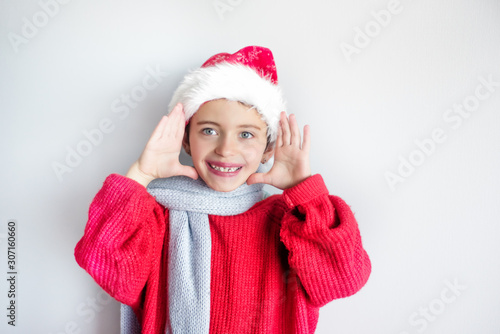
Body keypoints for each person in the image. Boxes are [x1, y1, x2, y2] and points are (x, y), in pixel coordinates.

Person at [74, 46, 371, 334]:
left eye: (246, 134)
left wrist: (305, 194)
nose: (226, 149)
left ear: (269, 149)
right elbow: (106, 264)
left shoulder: (289, 222)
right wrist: (141, 175)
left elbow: (343, 278)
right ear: (186, 141)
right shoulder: (157, 217)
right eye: (209, 131)